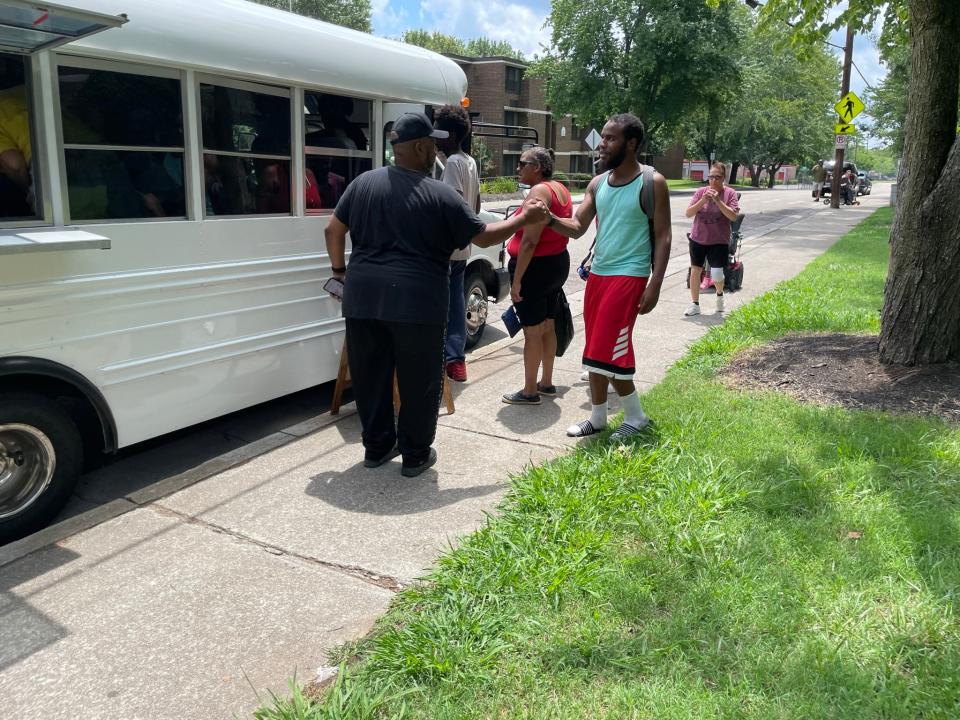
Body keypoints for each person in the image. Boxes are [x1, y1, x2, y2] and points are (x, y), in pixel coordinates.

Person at [324, 112, 548, 476]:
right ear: (418, 146)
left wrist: (339, 272)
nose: (436, 151)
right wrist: (525, 217)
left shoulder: (363, 183)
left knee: (371, 377)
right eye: (431, 145)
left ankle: (377, 447)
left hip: (363, 299)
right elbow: (485, 236)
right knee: (420, 380)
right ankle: (415, 455)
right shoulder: (439, 194)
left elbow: (332, 231)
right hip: (417, 303)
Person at [545, 114, 672, 441]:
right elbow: (576, 228)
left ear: (631, 144)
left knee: (609, 349)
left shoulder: (652, 182)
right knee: (594, 349)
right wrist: (548, 219)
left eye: (611, 138)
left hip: (629, 276)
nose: (602, 144)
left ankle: (636, 416)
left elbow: (664, 236)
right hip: (598, 276)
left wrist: (655, 285)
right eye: (603, 137)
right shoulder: (598, 183)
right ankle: (599, 417)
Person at [501, 146, 572, 405]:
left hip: (535, 268)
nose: (518, 168)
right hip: (555, 265)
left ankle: (530, 391)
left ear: (537, 167)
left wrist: (517, 280)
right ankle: (547, 382)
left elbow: (530, 242)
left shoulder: (538, 192)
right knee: (548, 325)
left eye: (522, 163)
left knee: (532, 331)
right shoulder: (559, 188)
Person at [433, 105, 481, 383]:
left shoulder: (452, 164)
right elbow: (474, 204)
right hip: (463, 247)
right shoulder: (469, 161)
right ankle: (456, 359)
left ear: (449, 135)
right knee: (456, 302)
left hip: (447, 248)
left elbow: (451, 207)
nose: (434, 136)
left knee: (445, 304)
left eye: (438, 130)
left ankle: (451, 358)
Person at [684, 162, 740, 316]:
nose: (713, 180)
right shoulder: (701, 192)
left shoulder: (730, 193)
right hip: (698, 238)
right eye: (711, 177)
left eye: (717, 177)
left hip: (718, 240)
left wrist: (718, 201)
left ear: (724, 178)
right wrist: (702, 200)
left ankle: (720, 296)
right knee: (695, 270)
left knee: (716, 274)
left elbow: (733, 216)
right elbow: (688, 213)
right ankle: (695, 304)